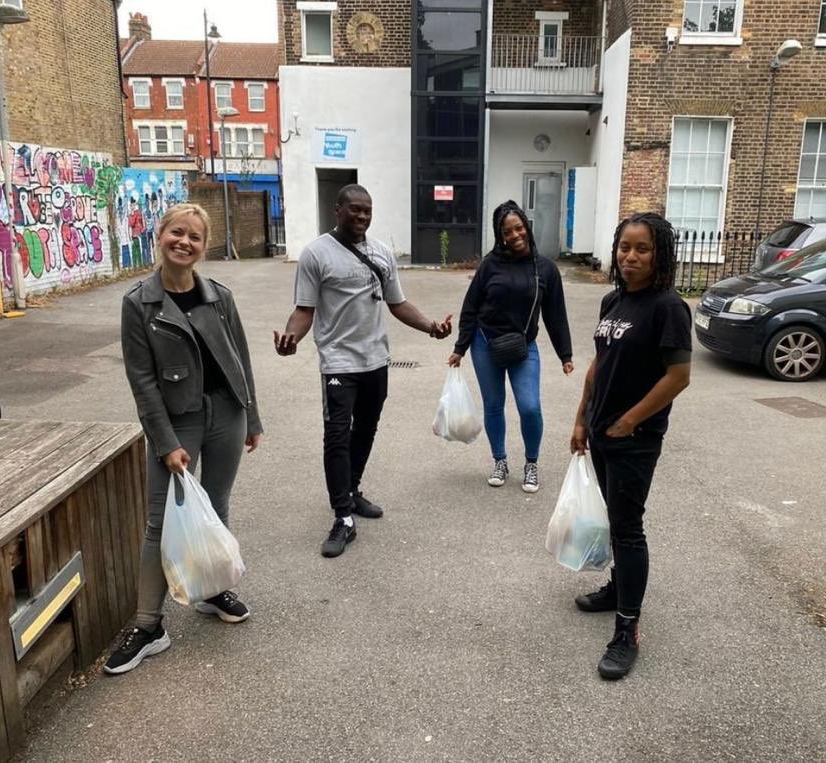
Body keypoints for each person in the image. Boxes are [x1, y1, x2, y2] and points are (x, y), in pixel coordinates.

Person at [106, 203, 264, 675]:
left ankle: (212, 592)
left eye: (195, 237)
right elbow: (142, 381)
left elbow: (240, 360)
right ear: (161, 235)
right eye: (178, 232)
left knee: (215, 506)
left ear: (203, 245)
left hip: (227, 415)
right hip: (178, 421)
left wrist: (252, 418)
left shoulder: (219, 296)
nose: (185, 243)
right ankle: (149, 625)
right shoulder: (139, 303)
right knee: (161, 520)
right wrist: (165, 439)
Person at [275, 184, 452, 558]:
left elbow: (398, 303)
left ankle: (352, 491)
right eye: (354, 209)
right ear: (336, 210)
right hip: (338, 361)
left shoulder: (382, 253)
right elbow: (304, 310)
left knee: (366, 429)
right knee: (337, 435)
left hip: (376, 360)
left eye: (367, 211)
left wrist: (431, 326)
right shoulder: (315, 254)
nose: (361, 216)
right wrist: (291, 337)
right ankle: (342, 517)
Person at [569, 212, 691, 680]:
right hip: (601, 430)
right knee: (613, 519)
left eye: (641, 249)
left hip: (635, 439)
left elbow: (678, 377)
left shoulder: (668, 307)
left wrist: (628, 421)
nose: (630, 257)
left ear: (659, 254)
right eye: (624, 247)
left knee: (627, 527)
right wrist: (582, 418)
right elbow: (598, 366)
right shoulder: (611, 301)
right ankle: (617, 590)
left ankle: (628, 628)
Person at [448, 201, 573, 493]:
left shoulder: (545, 269)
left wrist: (564, 354)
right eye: (508, 231)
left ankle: (531, 463)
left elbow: (556, 313)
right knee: (494, 405)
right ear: (500, 235)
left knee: (530, 407)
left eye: (519, 228)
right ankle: (500, 460)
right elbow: (471, 308)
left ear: (527, 228)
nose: (515, 235)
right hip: (485, 343)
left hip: (523, 347)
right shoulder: (489, 265)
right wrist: (460, 347)